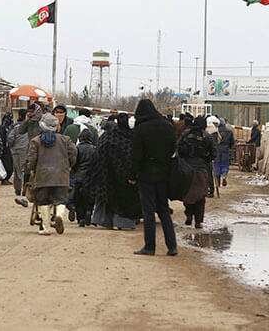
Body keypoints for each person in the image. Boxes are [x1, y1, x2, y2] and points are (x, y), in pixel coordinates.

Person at [131, 99, 178, 256]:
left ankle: (150, 247)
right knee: (164, 209)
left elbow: (136, 155)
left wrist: (132, 174)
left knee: (148, 211)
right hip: (164, 174)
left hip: (146, 175)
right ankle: (172, 246)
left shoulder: (140, 128)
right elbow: (173, 149)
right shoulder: (168, 126)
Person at [24, 113, 76, 235]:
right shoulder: (65, 140)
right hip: (61, 176)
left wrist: (30, 169)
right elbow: (73, 154)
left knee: (43, 201)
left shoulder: (35, 141)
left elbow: (31, 159)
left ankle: (45, 227)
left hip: (42, 177)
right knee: (61, 200)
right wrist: (69, 165)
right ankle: (59, 216)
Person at [89, 113, 141, 230]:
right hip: (124, 174)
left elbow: (98, 153)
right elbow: (133, 156)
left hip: (106, 173)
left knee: (107, 197)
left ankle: (104, 220)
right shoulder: (131, 137)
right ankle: (123, 223)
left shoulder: (107, 136)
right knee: (124, 198)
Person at [177, 116, 215, 229]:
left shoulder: (185, 134)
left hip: (186, 169)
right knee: (200, 196)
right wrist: (206, 159)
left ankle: (189, 215)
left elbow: (178, 148)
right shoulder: (207, 136)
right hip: (201, 169)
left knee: (188, 193)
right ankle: (198, 221)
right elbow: (214, 153)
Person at [6, 104, 43, 207]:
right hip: (31, 150)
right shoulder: (29, 122)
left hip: (42, 151)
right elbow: (21, 131)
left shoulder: (43, 121)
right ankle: (25, 196)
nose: (30, 113)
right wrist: (27, 120)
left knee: (38, 173)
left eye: (32, 111)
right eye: (29, 111)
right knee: (27, 171)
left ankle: (39, 196)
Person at [70, 127, 98, 227]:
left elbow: (74, 163)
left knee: (78, 198)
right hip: (91, 178)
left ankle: (80, 217)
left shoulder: (77, 148)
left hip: (79, 177)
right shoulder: (94, 149)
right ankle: (89, 212)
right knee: (89, 197)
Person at [215, 116, 234, 187]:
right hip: (225, 150)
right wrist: (230, 148)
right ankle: (224, 176)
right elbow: (232, 142)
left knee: (217, 164)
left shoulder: (215, 132)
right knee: (225, 164)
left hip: (217, 150)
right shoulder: (229, 131)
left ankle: (218, 180)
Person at [0, 111, 15, 186]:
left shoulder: (9, 128)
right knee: (6, 165)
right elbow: (1, 139)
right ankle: (4, 179)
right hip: (4, 150)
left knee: (10, 165)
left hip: (8, 149)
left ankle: (6, 179)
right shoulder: (2, 128)